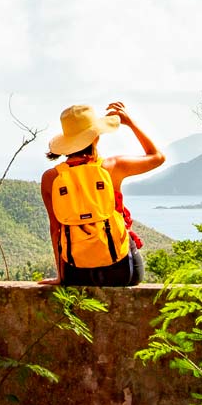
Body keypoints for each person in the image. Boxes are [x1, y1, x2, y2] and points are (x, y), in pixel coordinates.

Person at [39, 101, 165, 286]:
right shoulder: (111, 167)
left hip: (76, 272)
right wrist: (130, 123)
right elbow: (157, 157)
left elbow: (55, 229)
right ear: (96, 137)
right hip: (122, 270)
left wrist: (61, 277)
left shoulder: (51, 178)